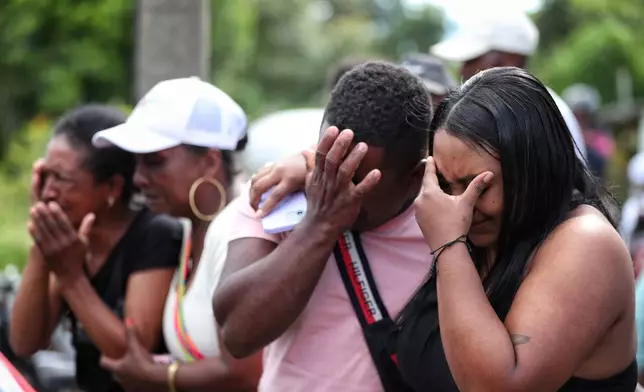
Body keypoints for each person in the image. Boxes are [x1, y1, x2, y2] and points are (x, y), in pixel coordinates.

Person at [393, 67, 635, 391]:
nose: (457, 204)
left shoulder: (586, 242)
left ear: (532, 169)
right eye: (445, 184)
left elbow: (499, 386)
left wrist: (449, 246)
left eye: (475, 185)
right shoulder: (480, 238)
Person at [213, 61, 434, 391]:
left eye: (356, 179)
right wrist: (320, 223)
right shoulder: (276, 197)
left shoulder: (447, 218)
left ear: (414, 176)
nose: (335, 187)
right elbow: (237, 334)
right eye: (328, 164)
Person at [92, 77, 263, 392]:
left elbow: (246, 373)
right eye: (137, 163)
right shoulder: (189, 226)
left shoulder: (239, 230)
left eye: (154, 162)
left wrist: (154, 376)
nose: (139, 179)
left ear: (209, 161)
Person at [10, 105, 180, 392]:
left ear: (113, 187)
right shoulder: (70, 240)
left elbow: (133, 354)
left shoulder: (156, 234)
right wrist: (42, 248)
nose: (49, 191)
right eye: (45, 176)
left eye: (62, 179)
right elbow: (26, 342)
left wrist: (72, 278)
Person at [430, 12, 588, 161]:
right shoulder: (518, 109)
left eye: (471, 59)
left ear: (510, 59)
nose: (462, 70)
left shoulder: (535, 113)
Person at [563, 83, 615, 180]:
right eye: (577, 115)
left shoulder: (600, 138)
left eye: (584, 116)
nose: (580, 120)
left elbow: (606, 158)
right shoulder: (562, 136)